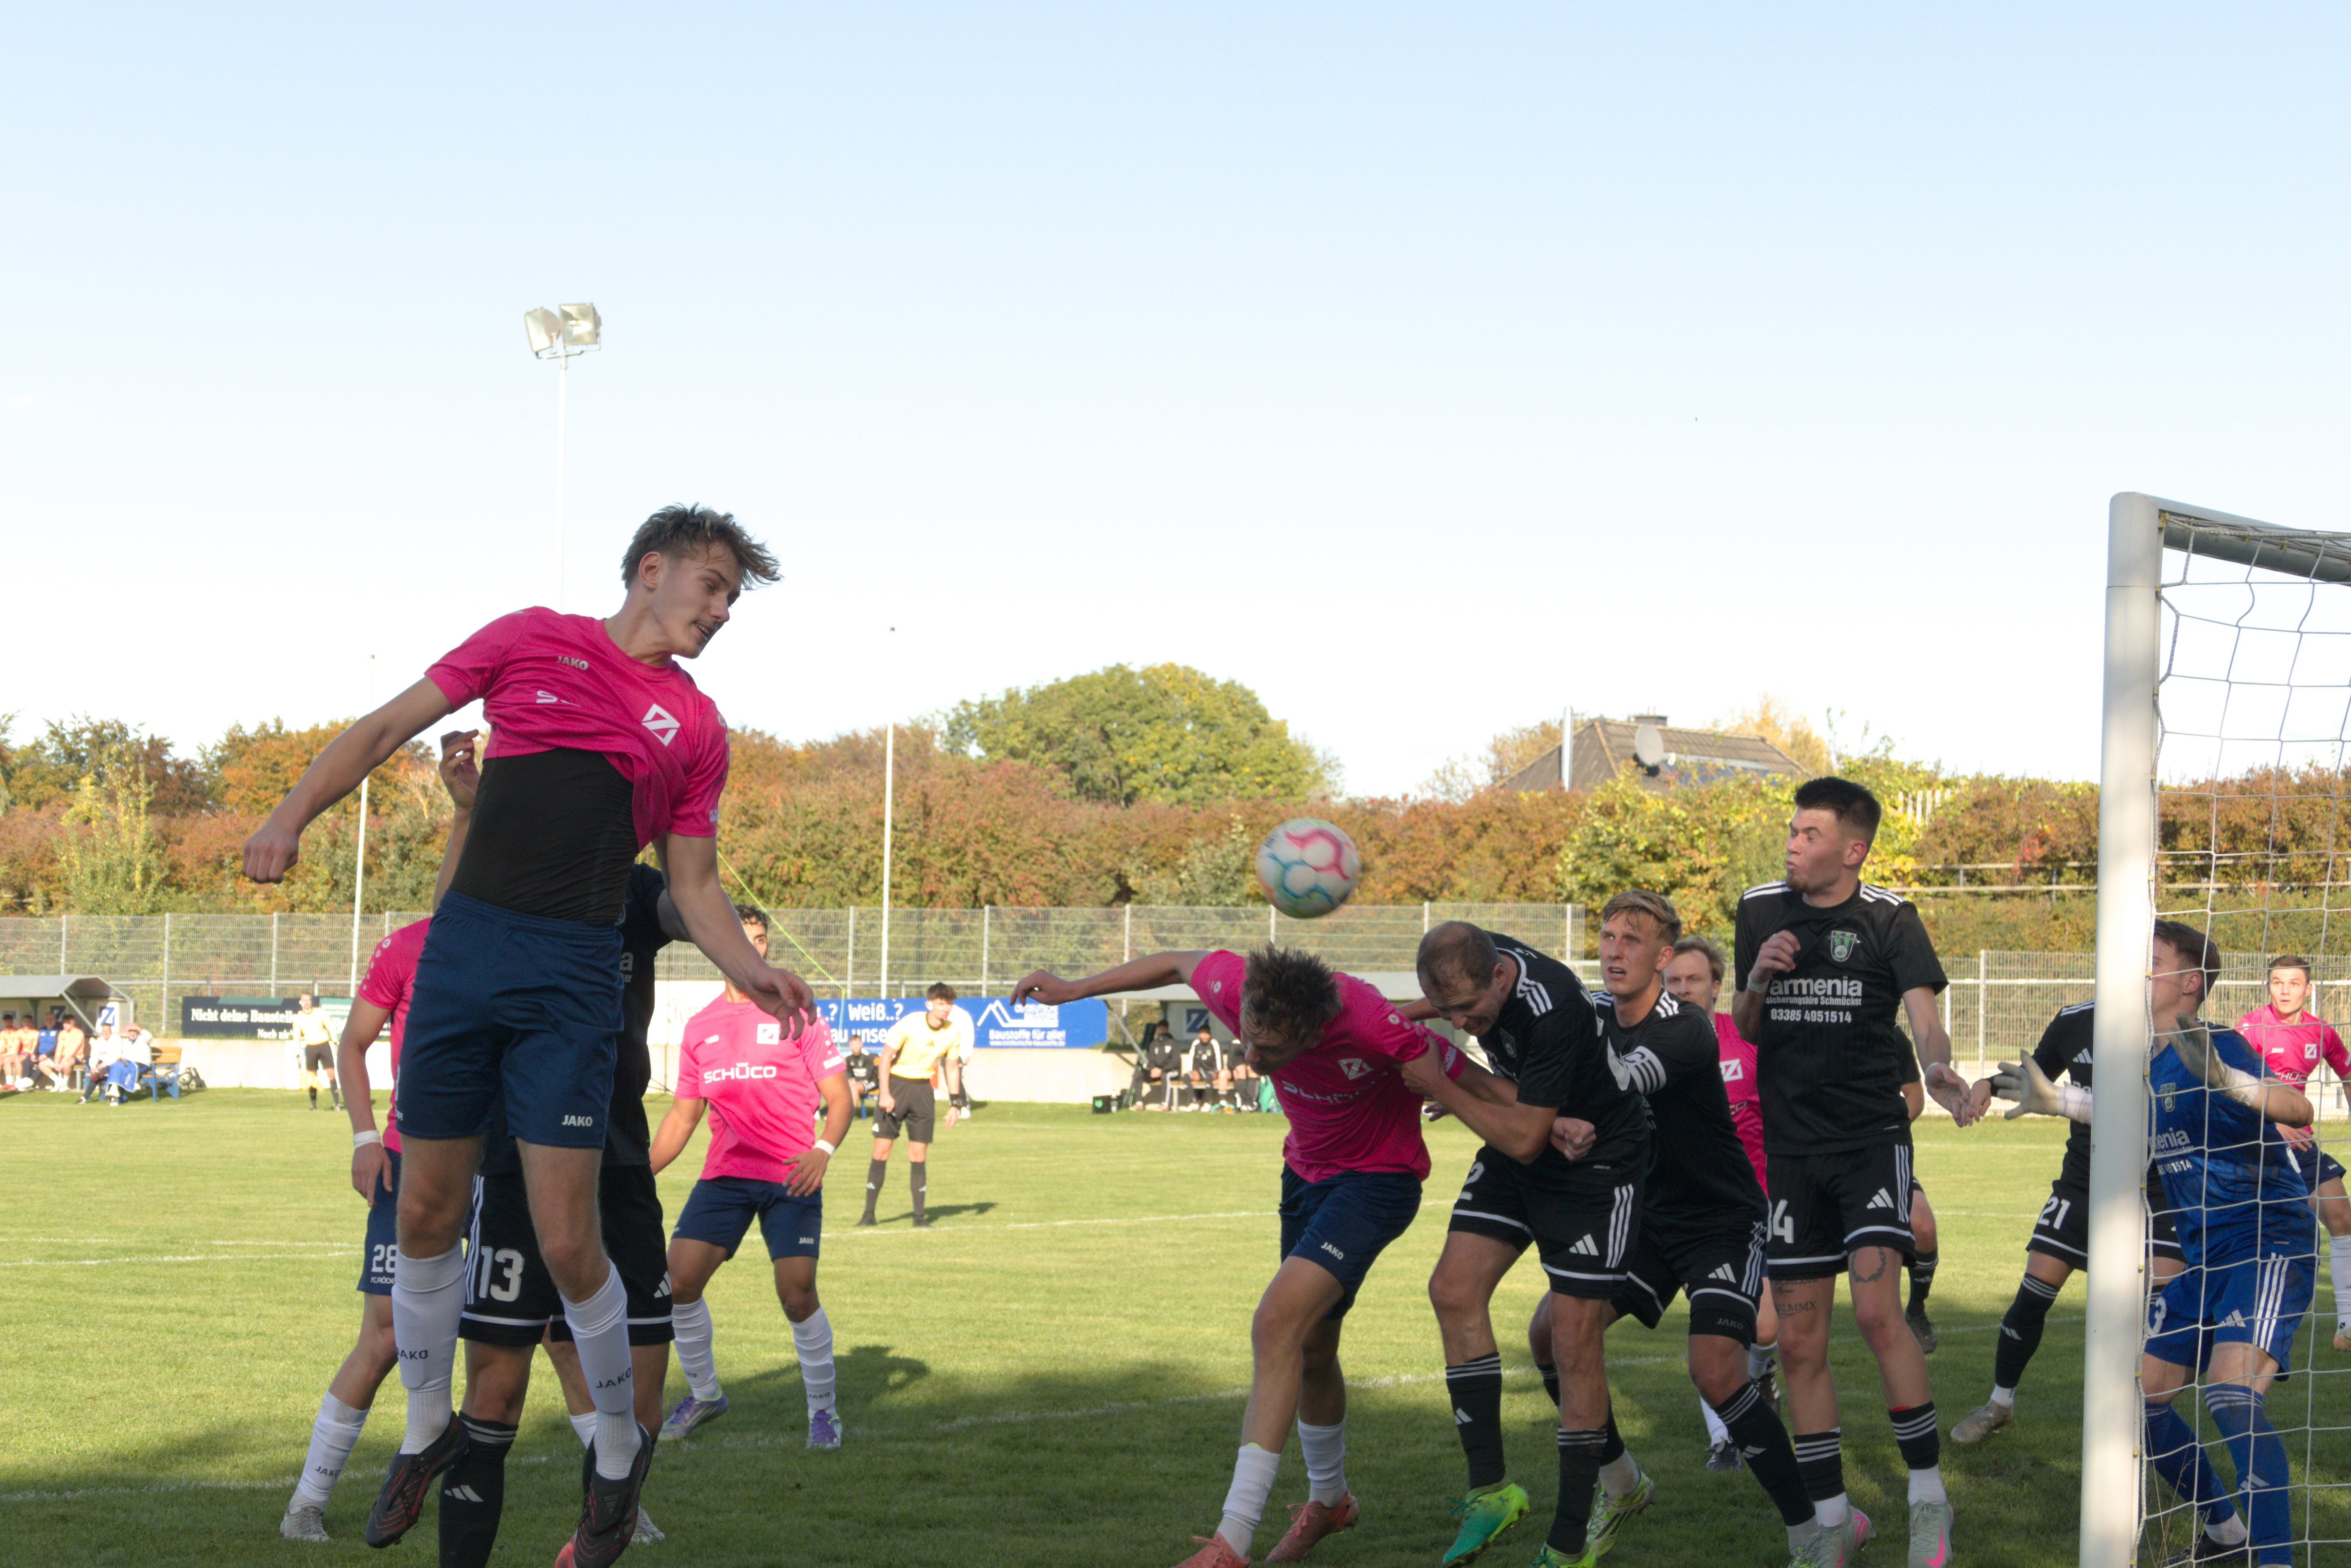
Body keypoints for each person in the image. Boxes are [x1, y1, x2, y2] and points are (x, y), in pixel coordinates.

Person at [241, 504, 813, 1568]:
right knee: (425, 1213)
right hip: (462, 955)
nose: (724, 611)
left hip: (571, 976)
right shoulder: (529, 638)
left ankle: (615, 1456)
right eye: (714, 586)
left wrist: (751, 970)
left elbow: (693, 883)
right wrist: (289, 813)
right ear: (652, 569)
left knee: (564, 1238)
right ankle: (425, 1431)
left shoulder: (695, 725)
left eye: (734, 598)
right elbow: (382, 729)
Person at [1014, 946, 1465, 1568]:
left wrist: (1525, 1114)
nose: (1250, 1056)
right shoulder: (1237, 985)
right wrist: (1073, 988)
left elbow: (1462, 1072)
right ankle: (1330, 1501)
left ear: (1312, 1032)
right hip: (1304, 1175)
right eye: (1247, 1036)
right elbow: (1176, 963)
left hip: (1376, 1184)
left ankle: (1231, 1541)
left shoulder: (1370, 1022)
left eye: (1269, 1047)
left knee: (1275, 1323)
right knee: (1312, 1349)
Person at [431, 727, 687, 1566]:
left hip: (617, 1165)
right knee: (493, 1393)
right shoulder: (513, 881)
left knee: (638, 1408)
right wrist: (467, 816)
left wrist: (676, 809)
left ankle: (587, 1550)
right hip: (515, 1163)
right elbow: (447, 936)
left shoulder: (634, 889)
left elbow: (693, 906)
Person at [1992, 922, 2314, 1568]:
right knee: (2142, 1398)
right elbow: (2129, 1115)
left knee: (2230, 1392)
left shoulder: (2217, 1044)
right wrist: (2058, 1099)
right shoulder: (2148, 1063)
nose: (2136, 972)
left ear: (2189, 982)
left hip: (2265, 1241)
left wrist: (2231, 1081)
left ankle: (2277, 1560)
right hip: (2205, 1259)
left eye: (2152, 961)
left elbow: (2298, 1110)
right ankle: (2225, 1534)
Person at [1518, 894, 1815, 1562]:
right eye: (1607, 936)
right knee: (1549, 1334)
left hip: (1719, 1220)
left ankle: (1814, 1529)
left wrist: (1546, 1091)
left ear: (1662, 957)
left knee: (1714, 1372)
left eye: (1632, 940)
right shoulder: (1592, 1013)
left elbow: (1621, 1082)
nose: (1614, 950)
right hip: (1643, 1221)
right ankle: (1623, 1482)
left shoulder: (1688, 1029)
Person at [1732, 777, 1979, 1568]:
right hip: (1792, 1154)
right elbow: (1746, 1026)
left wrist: (1938, 1071)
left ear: (1852, 849)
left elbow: (1925, 1021)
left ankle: (1928, 1501)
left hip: (1871, 1139)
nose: (1793, 844)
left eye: (1810, 834)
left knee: (1876, 1314)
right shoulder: (1758, 909)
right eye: (1793, 830)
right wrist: (1760, 977)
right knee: (1799, 1340)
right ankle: (1835, 1522)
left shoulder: (1890, 917)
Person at [1405, 920, 1653, 1568]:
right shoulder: (1472, 954)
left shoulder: (1554, 1005)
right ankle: (1491, 1491)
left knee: (1572, 1341)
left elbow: (1520, 1137)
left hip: (1597, 1166)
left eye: (1469, 1009)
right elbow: (1521, 1130)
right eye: (1447, 1010)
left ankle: (1568, 1541)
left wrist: (1444, 1085)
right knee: (1452, 1290)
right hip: (1534, 1139)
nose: (1460, 1023)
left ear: (1499, 975)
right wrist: (1394, 1016)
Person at [654, 903, 853, 1451]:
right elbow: (683, 1117)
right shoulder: (700, 1027)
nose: (754, 947)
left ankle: (823, 1413)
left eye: (761, 938)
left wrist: (822, 1149)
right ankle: (705, 1394)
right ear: (714, 943)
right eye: (742, 937)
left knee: (796, 1294)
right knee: (678, 1283)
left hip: (791, 1175)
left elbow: (839, 1098)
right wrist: (640, 1173)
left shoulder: (797, 1012)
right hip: (725, 1176)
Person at [1950, 998, 2187, 1446]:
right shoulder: (2075, 1019)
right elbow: (2035, 1075)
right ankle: (1999, 1404)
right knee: (2032, 1295)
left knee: (2160, 1315)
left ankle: (2144, 1420)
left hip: (2159, 1190)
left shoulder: (2171, 1021)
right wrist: (1986, 1084)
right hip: (2082, 1183)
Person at [278, 915, 430, 1542]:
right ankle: (306, 1504)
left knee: (548, 1333)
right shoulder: (408, 944)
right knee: (386, 1333)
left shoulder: (533, 933)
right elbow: (353, 1042)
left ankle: (617, 1504)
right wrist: (366, 1137)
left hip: (502, 1164)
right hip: (407, 1160)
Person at [1661, 935, 1786, 1471]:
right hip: (1693, 1212)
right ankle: (1723, 1439)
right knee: (1715, 1325)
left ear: (1715, 986)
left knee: (1766, 1328)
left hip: (1757, 1203)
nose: (1682, 989)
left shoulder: (1747, 1038)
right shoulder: (1649, 1042)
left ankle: (1759, 1377)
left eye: (1693, 979)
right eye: (1673, 980)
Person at [2233, 953, 2351, 1349]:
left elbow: (2348, 1073)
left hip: (2300, 1145)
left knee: (2342, 1218)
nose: (2285, 991)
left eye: (2294, 983)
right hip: (2255, 1144)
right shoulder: (2250, 1029)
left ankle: (2348, 1328)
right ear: (2269, 986)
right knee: (2250, 1236)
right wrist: (2275, 1121)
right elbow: (2229, 1089)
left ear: (2308, 989)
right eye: (2278, 983)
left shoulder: (2322, 1032)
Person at [861, 983, 967, 1227]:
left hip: (923, 1092)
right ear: (929, 1004)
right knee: (881, 1151)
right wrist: (884, 1093)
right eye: (941, 1004)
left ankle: (919, 1218)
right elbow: (885, 1058)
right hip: (896, 1086)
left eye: (949, 1004)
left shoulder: (953, 1032)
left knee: (918, 1155)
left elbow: (951, 1067)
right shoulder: (910, 1023)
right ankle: (868, 1215)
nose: (946, 1008)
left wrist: (955, 1104)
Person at [293, 992, 341, 1111]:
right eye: (304, 1001)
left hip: (324, 1045)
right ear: (301, 1002)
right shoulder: (298, 1018)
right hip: (311, 1048)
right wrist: (298, 1055)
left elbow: (330, 1027)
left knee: (331, 1074)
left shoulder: (320, 1013)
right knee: (312, 1078)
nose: (306, 1003)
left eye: (308, 1000)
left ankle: (337, 1104)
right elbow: (297, 1037)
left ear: (311, 1002)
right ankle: (313, 1106)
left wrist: (335, 1042)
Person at [1190, 1024, 1227, 1112]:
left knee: (1208, 1077)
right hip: (1201, 1073)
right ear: (1199, 1035)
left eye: (1207, 1034)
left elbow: (1219, 1059)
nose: (1205, 1036)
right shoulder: (1196, 1043)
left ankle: (1208, 1103)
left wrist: (1219, 1074)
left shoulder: (1214, 1043)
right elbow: (1192, 1059)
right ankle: (1194, 1103)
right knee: (1187, 1077)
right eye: (1203, 1034)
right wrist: (1192, 1072)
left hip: (1213, 1072)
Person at [843, 1035, 881, 1119]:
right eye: (853, 1045)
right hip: (857, 1082)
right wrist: (851, 1081)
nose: (855, 1047)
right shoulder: (849, 1058)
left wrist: (854, 1083)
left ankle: (849, 1115)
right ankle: (840, 1112)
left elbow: (869, 1076)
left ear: (861, 1044)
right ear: (850, 1045)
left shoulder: (868, 1056)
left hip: (871, 1082)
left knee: (855, 1087)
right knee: (845, 1085)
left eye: (857, 1044)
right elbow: (849, 1075)